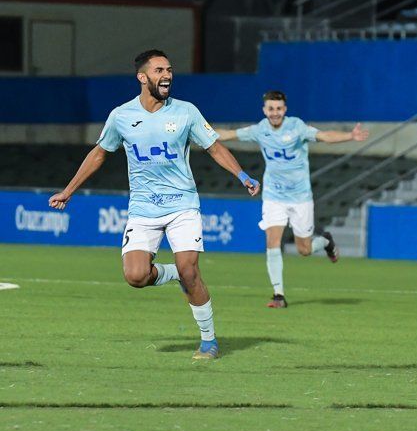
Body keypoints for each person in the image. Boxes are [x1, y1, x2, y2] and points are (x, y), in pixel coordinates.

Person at [48, 49, 260, 360]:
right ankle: (175, 275)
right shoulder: (121, 116)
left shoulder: (186, 111)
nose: (167, 75)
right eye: (160, 70)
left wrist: (242, 175)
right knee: (135, 277)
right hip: (143, 208)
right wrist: (69, 190)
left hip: (182, 205)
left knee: (191, 269)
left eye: (170, 70)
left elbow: (214, 148)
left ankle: (209, 340)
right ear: (142, 77)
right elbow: (99, 154)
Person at [216, 91, 369, 308]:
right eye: (271, 108)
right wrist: (199, 131)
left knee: (304, 250)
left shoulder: (297, 127)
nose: (275, 113)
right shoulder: (260, 130)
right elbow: (228, 134)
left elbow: (325, 136)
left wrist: (350, 136)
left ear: (285, 110)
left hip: (300, 197)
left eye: (279, 108)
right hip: (273, 196)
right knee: (272, 241)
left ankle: (325, 241)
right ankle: (278, 295)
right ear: (264, 110)